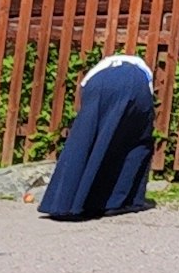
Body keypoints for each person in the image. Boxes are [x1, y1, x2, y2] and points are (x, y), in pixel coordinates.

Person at [38, 45, 156, 219]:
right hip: (137, 85)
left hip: (97, 85)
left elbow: (86, 91)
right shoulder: (140, 67)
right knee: (136, 143)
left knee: (84, 141)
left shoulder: (97, 71)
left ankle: (64, 202)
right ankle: (120, 201)